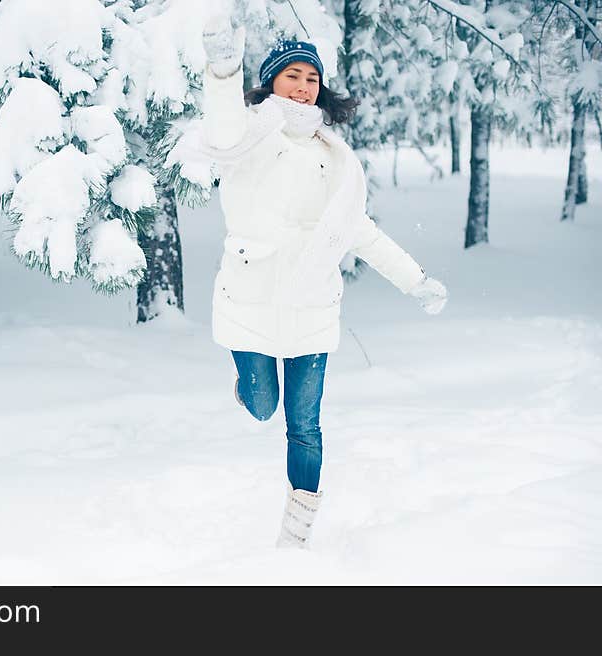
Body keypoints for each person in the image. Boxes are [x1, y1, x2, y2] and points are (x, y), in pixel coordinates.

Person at [199, 17, 449, 549]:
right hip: (250, 302)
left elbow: (360, 231)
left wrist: (415, 280)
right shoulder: (247, 136)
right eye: (293, 74)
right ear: (270, 82)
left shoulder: (335, 159)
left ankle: (296, 535)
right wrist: (222, 74)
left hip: (312, 309)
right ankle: (249, 388)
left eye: (312, 78)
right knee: (264, 406)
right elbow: (220, 126)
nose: (304, 85)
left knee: (305, 427)